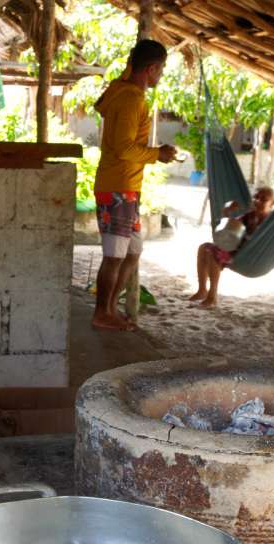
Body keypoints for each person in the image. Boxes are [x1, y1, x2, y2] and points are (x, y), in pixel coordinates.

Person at [90, 39, 178, 331]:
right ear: (152, 68)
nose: (161, 75)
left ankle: (110, 309)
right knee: (115, 255)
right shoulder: (130, 99)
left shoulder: (125, 94)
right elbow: (124, 148)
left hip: (126, 186)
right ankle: (102, 313)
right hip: (118, 186)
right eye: (161, 70)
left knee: (132, 252)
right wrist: (157, 154)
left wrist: (155, 153)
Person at [190, 186, 274, 309]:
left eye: (263, 199)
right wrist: (226, 213)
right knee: (203, 247)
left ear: (272, 204)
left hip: (252, 256)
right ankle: (202, 290)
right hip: (237, 250)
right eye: (256, 197)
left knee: (213, 251)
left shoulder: (272, 221)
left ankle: (212, 296)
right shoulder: (249, 216)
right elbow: (231, 228)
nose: (258, 201)